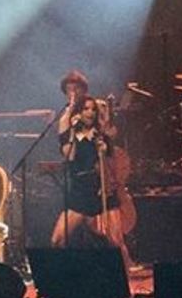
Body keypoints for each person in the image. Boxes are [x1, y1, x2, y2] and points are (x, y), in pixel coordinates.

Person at [52, 71, 132, 268]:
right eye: (69, 89)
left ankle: (125, 283)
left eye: (76, 88)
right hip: (80, 189)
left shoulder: (99, 128)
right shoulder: (67, 120)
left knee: (115, 243)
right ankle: (58, 279)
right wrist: (72, 123)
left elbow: (113, 139)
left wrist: (104, 132)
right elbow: (68, 155)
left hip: (101, 189)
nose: (73, 93)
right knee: (58, 239)